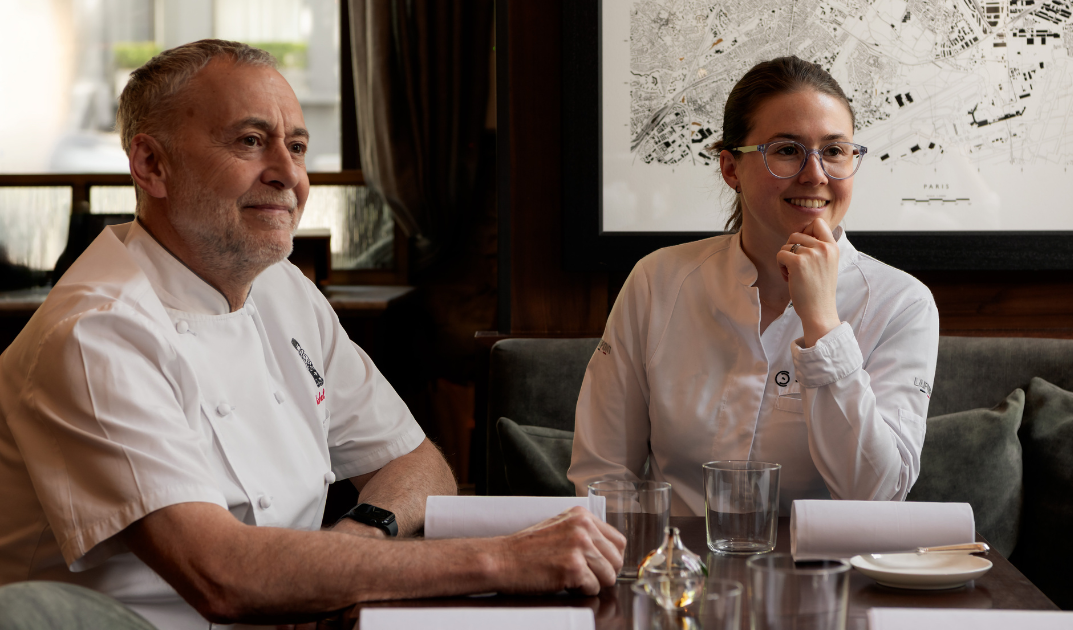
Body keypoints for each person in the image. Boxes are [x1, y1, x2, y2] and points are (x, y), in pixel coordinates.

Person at [0, 40, 623, 629]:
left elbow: (414, 460)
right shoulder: (97, 334)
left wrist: (357, 541)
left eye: (296, 147)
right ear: (151, 165)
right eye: (250, 141)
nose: (288, 174)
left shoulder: (283, 289)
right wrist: (504, 560)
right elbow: (219, 574)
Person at [569, 56, 940, 516]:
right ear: (731, 169)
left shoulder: (902, 303)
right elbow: (602, 476)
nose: (816, 174)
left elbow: (878, 494)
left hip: (827, 577)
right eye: (786, 150)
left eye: (835, 150)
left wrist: (823, 324)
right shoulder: (657, 281)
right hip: (681, 574)